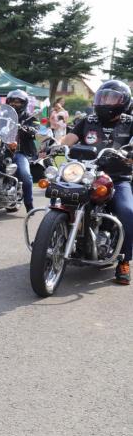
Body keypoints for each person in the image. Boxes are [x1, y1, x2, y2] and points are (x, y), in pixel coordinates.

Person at [57, 80, 133, 284]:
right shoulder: (88, 120)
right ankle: (56, 237)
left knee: (127, 211)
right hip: (86, 174)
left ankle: (124, 260)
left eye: (111, 98)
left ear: (123, 102)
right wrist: (55, 145)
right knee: (61, 196)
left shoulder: (130, 122)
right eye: (103, 97)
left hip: (117, 178)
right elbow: (70, 138)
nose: (105, 102)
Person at [2, 89, 38, 215]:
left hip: (19, 152)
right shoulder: (2, 115)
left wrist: (30, 129)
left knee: (25, 175)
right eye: (12, 101)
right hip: (1, 150)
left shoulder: (29, 116)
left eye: (18, 102)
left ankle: (29, 205)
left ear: (24, 103)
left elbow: (36, 128)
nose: (14, 104)